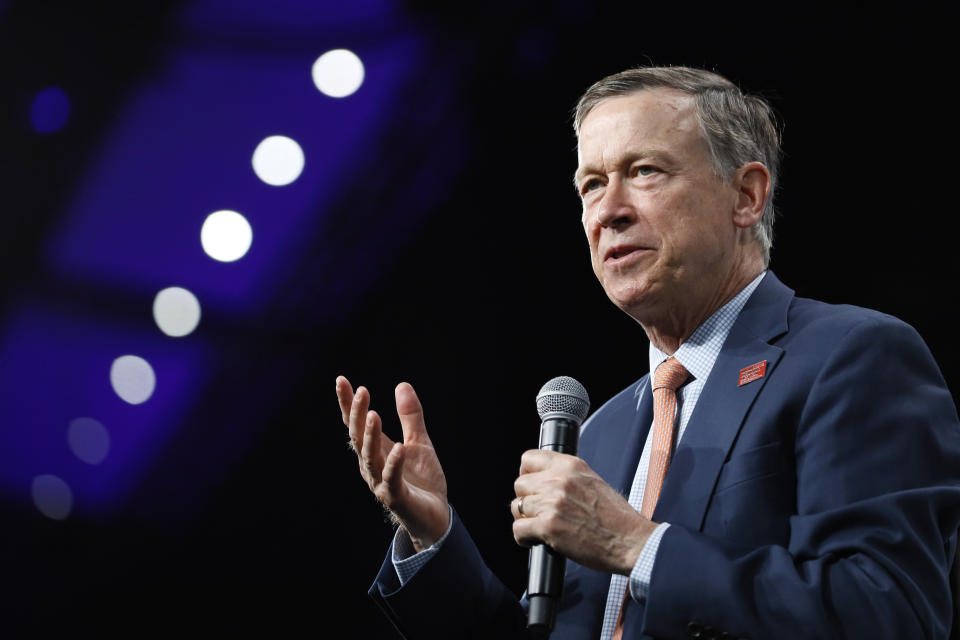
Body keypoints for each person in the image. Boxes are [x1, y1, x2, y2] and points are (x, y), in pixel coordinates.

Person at [335, 66, 960, 639]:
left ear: (746, 196)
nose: (608, 211)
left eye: (645, 172)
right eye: (591, 185)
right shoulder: (602, 433)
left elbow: (889, 612)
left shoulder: (850, 358)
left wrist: (638, 546)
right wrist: (432, 535)